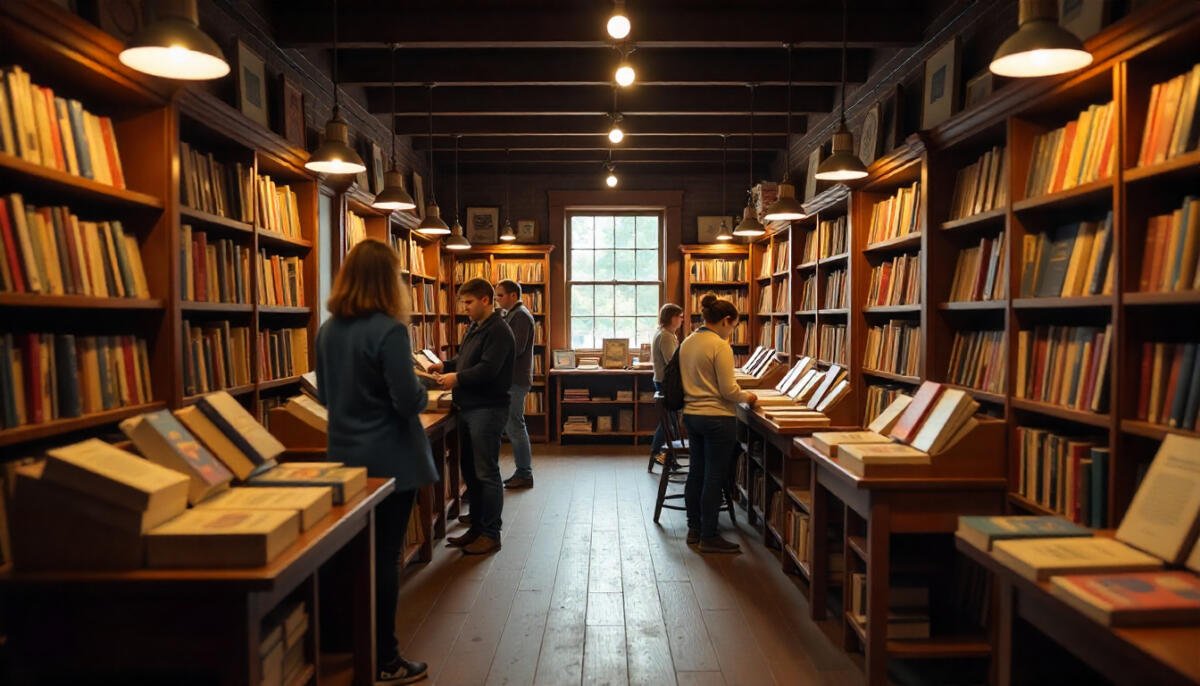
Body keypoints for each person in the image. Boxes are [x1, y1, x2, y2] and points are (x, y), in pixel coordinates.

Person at [315, 239, 435, 684]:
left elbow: (325, 397)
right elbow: (408, 400)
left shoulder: (328, 330)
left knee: (351, 554)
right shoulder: (389, 330)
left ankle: (344, 643)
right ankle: (385, 656)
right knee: (386, 557)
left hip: (344, 458)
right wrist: (422, 391)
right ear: (390, 281)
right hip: (391, 459)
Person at [428, 278, 515, 555]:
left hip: (487, 409)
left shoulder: (498, 330)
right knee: (471, 472)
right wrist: (446, 365)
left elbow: (488, 370)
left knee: (486, 473)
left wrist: (456, 378)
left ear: (486, 300)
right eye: (463, 302)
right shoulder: (476, 327)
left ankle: (491, 534)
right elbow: (468, 360)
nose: (464, 307)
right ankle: (477, 528)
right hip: (469, 407)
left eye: (469, 302)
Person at [679, 293, 758, 554]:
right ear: (726, 320)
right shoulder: (719, 345)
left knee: (696, 472)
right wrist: (749, 396)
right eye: (734, 326)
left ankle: (695, 528)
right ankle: (710, 535)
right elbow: (728, 390)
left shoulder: (689, 341)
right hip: (717, 417)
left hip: (692, 414)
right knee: (715, 475)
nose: (732, 332)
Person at [494, 279, 536, 489]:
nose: (497, 299)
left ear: (513, 295)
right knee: (513, 425)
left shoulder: (520, 316)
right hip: (512, 379)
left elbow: (516, 348)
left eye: (500, 295)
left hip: (515, 380)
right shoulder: (511, 314)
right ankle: (523, 471)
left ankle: (524, 473)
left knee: (515, 426)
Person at [649, 303, 684, 463]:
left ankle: (668, 454)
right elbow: (672, 362)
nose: (682, 320)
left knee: (669, 421)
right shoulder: (666, 336)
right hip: (666, 383)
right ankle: (657, 452)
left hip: (662, 381)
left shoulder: (665, 333)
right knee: (668, 422)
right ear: (672, 318)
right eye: (679, 316)